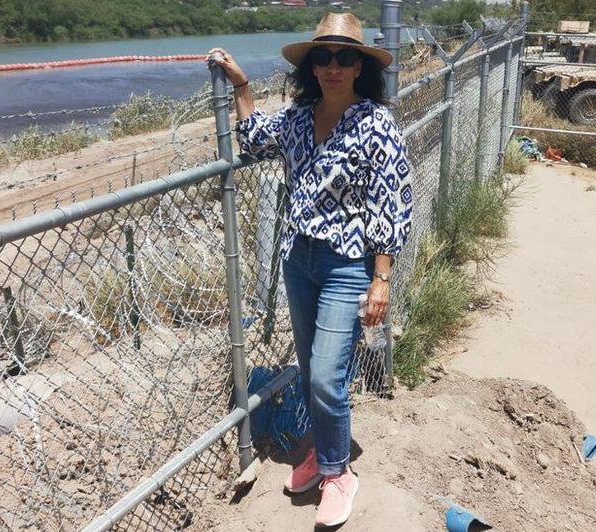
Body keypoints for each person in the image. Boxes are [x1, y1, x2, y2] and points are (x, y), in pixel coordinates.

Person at [208, 12, 412, 528]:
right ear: (312, 66)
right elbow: (253, 137)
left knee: (324, 375)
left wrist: (381, 277)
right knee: (312, 367)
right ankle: (319, 452)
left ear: (360, 66)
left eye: (345, 57)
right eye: (324, 57)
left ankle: (339, 472)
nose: (333, 67)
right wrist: (242, 84)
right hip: (299, 262)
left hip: (347, 265)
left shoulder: (375, 123)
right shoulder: (299, 118)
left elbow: (391, 201)